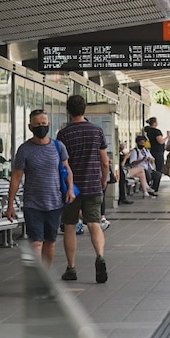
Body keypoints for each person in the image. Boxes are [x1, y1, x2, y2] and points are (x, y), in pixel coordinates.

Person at [7, 109, 75, 268]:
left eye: (44, 124)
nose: (41, 127)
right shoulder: (24, 149)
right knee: (36, 242)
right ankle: (38, 277)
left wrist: (70, 188)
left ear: (49, 125)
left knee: (50, 243)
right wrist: (10, 204)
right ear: (30, 127)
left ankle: (46, 273)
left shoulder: (58, 147)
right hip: (32, 204)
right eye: (37, 124)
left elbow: (67, 170)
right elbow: (16, 177)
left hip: (55, 202)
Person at [57, 95, 110, 283]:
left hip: (72, 188)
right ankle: (100, 256)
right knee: (94, 223)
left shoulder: (64, 134)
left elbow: (61, 164)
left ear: (68, 110)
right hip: (93, 185)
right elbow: (105, 161)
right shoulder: (97, 131)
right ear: (85, 109)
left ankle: (71, 268)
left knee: (70, 226)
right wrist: (104, 181)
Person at [144, 117, 166, 191]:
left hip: (152, 151)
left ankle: (151, 184)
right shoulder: (156, 131)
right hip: (158, 152)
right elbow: (161, 141)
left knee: (152, 168)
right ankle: (155, 186)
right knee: (159, 169)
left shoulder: (148, 131)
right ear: (154, 123)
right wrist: (168, 136)